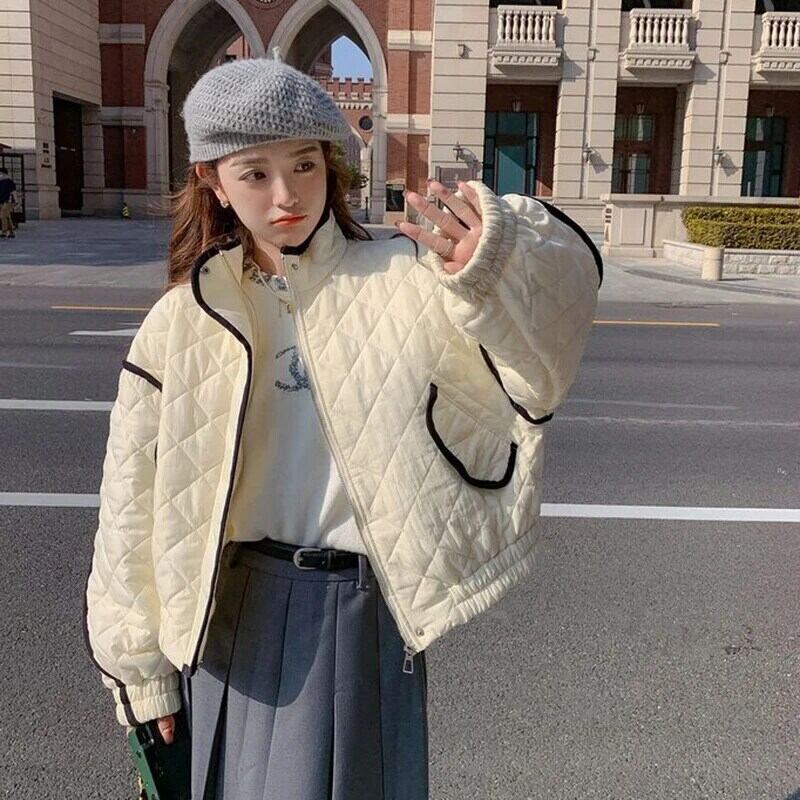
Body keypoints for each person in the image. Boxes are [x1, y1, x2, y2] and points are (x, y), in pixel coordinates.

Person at [83, 54, 602, 799]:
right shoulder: (182, 320)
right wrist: (137, 668)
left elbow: (541, 360)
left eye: (304, 164)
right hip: (229, 618)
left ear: (331, 164)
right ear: (213, 182)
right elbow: (132, 501)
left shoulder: (406, 277)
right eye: (254, 173)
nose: (286, 194)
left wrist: (495, 266)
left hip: (364, 614)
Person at [0, 167, 16, 238]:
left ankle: (4, 231)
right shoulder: (0, 182)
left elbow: (13, 191)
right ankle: (12, 232)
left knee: (2, 216)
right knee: (7, 216)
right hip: (1, 201)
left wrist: (16, 201)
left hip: (8, 201)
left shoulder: (9, 182)